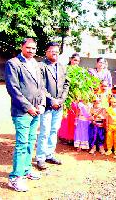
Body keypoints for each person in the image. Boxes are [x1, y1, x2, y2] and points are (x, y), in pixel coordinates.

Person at [5, 38, 45, 192]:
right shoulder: (13, 63)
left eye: (34, 48)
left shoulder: (35, 63)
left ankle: (26, 170)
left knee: (30, 142)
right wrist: (28, 107)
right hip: (22, 112)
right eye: (28, 48)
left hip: (36, 110)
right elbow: (13, 89)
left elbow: (41, 87)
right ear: (21, 47)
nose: (31, 51)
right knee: (21, 145)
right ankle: (15, 178)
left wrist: (41, 104)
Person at [36, 42, 70, 170]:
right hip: (47, 106)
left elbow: (66, 85)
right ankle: (40, 158)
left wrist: (61, 100)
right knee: (44, 131)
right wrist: (52, 100)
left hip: (59, 106)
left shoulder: (62, 66)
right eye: (52, 51)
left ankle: (49, 155)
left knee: (54, 131)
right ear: (46, 52)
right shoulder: (41, 66)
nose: (54, 53)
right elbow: (40, 86)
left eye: (56, 51)